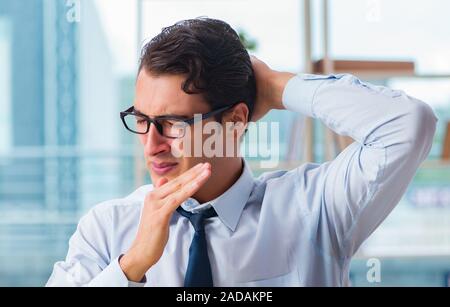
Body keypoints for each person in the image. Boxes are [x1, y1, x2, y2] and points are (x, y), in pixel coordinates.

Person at [47, 17, 437, 287]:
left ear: (234, 122)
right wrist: (130, 268)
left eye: (174, 123)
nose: (152, 144)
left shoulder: (313, 208)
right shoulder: (106, 230)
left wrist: (276, 86)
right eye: (142, 119)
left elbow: (407, 123)